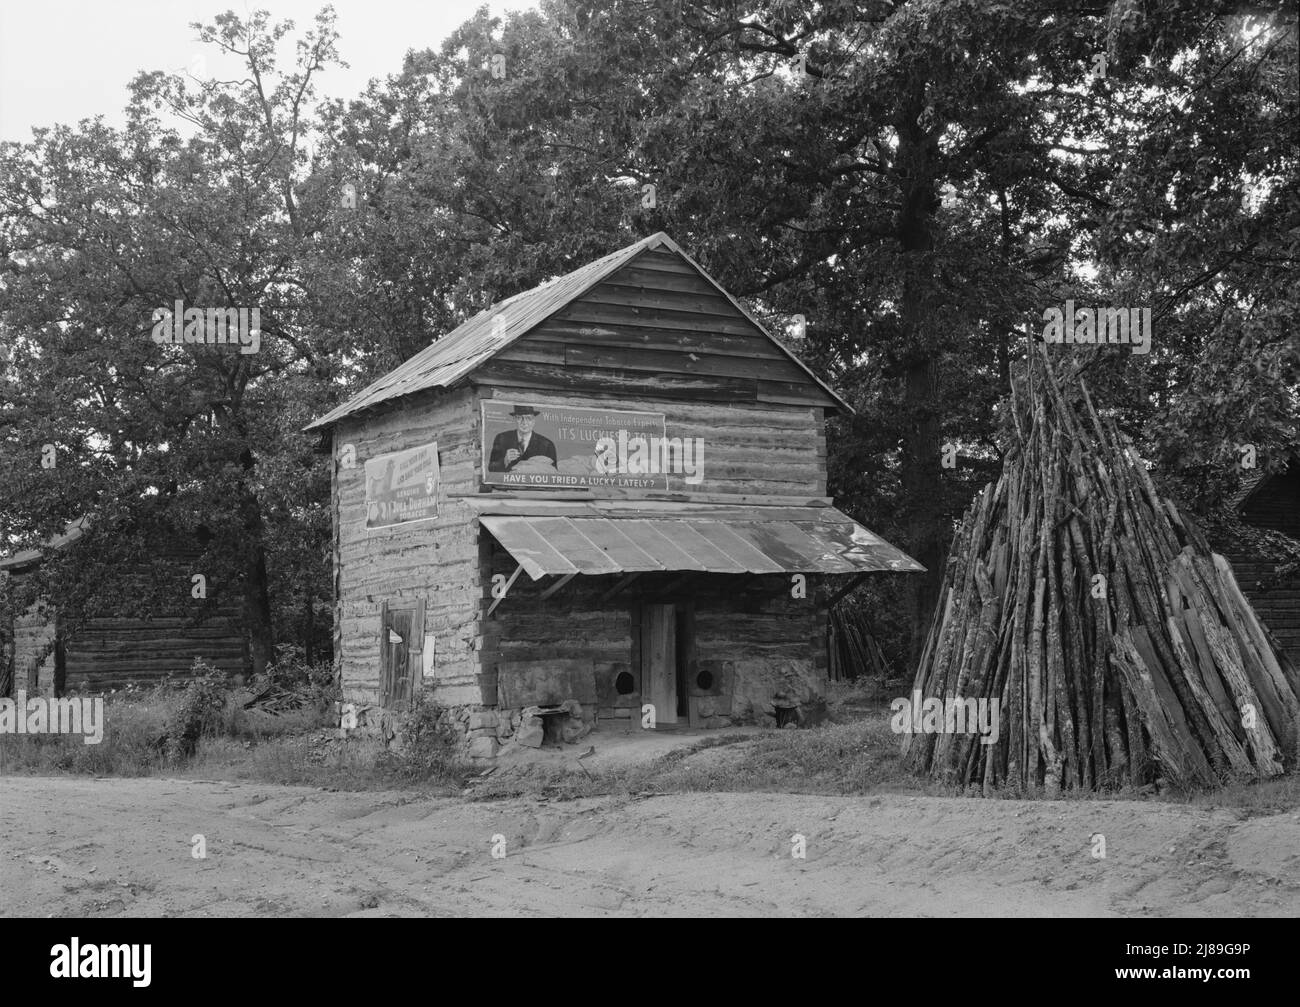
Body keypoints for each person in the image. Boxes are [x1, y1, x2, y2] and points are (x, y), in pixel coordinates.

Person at [488, 404, 557, 472]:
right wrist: (505, 460)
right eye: (519, 418)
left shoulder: (547, 445)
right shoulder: (501, 438)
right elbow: (491, 468)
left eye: (528, 418)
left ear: (534, 421)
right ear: (514, 419)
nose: (524, 422)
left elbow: (553, 473)